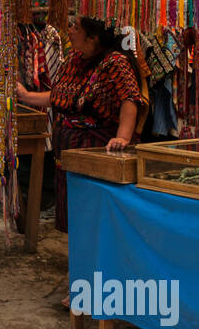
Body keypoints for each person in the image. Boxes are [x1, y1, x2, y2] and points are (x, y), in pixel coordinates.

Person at [17, 15, 147, 233]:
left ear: (92, 39)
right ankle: (77, 258)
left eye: (76, 28)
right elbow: (58, 96)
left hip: (94, 154)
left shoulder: (116, 63)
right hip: (68, 155)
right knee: (73, 213)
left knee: (93, 217)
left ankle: (93, 260)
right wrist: (26, 96)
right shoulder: (74, 60)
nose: (70, 30)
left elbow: (130, 99)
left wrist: (123, 137)